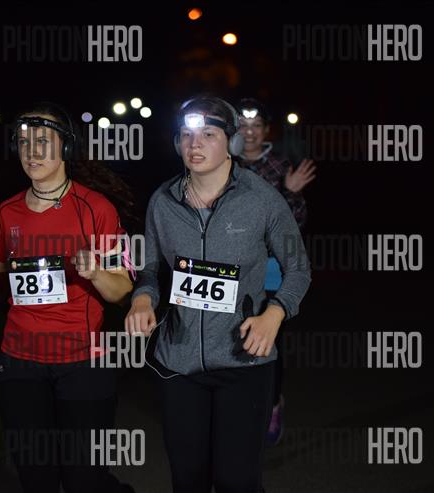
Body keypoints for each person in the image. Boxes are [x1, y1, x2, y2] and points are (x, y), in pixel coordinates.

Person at [125, 95, 311, 492]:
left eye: (209, 134)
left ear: (232, 142)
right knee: (188, 480)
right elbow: (150, 269)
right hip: (178, 363)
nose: (195, 144)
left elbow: (298, 269)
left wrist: (275, 313)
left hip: (243, 362)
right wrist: (143, 298)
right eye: (186, 135)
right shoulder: (162, 201)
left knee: (236, 481)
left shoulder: (263, 200)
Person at [0, 102, 135, 493]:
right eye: (24, 143)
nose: (31, 152)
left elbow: (122, 291)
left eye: (42, 141)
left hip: (82, 362)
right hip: (20, 363)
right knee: (36, 478)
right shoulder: (7, 212)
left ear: (66, 148)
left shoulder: (97, 209)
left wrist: (96, 272)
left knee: (84, 479)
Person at [236, 97, 317, 446]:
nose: (249, 132)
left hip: (270, 271)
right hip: (230, 271)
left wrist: (291, 193)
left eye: (256, 126)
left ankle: (271, 405)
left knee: (267, 343)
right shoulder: (221, 161)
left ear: (266, 130)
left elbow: (294, 227)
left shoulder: (281, 165)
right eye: (242, 125)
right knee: (232, 340)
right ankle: (237, 407)